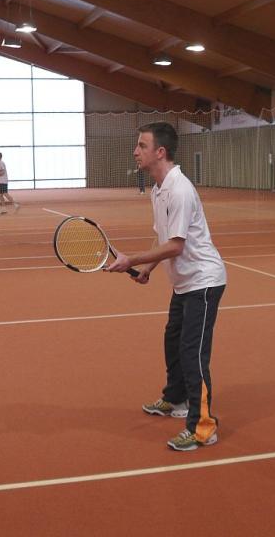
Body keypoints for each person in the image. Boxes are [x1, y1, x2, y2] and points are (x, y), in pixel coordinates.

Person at [107, 122, 226, 452]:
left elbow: (176, 245)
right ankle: (177, 398)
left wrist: (131, 260)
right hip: (184, 283)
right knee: (173, 341)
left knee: (192, 353)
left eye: (142, 146)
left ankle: (203, 428)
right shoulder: (158, 189)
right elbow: (164, 238)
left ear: (160, 152)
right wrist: (146, 268)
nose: (135, 151)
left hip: (204, 282)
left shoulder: (179, 190)